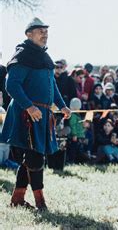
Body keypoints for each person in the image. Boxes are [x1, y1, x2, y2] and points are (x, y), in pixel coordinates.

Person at [2, 18, 71, 210]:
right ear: (28, 34)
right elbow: (11, 85)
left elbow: (52, 85)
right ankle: (40, 202)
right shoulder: (23, 55)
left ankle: (17, 199)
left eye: (46, 32)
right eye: (40, 31)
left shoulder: (43, 57)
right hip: (27, 114)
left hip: (42, 114)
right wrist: (29, 107)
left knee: (32, 156)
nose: (45, 35)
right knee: (35, 157)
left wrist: (62, 106)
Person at [67, 98, 85, 164]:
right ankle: (71, 161)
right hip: (75, 136)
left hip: (78, 135)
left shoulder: (77, 115)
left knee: (77, 149)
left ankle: (77, 161)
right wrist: (74, 134)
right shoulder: (73, 116)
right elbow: (73, 125)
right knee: (73, 149)